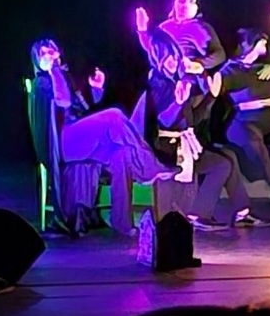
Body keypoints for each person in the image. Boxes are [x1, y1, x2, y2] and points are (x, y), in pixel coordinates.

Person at [29, 39, 176, 235]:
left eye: (52, 51)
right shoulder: (42, 82)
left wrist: (96, 89)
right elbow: (63, 102)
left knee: (120, 154)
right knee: (114, 115)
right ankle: (148, 164)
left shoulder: (64, 76)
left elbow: (85, 110)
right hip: (62, 143)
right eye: (44, 53)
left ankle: (122, 222)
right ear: (36, 59)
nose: (50, 55)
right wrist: (54, 70)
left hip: (77, 140)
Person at [144, 30, 270, 231]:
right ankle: (200, 214)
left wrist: (210, 96)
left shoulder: (177, 81)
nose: (173, 62)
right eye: (168, 58)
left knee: (228, 158)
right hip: (168, 149)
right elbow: (165, 120)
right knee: (221, 164)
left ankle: (241, 212)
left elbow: (194, 118)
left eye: (175, 58)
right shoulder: (159, 84)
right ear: (158, 59)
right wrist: (179, 103)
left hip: (184, 144)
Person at [219, 27, 270, 200]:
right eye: (260, 42)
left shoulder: (265, 66)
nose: (264, 45)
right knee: (254, 144)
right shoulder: (231, 69)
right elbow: (216, 88)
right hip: (246, 120)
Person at [136, 0, 226, 74]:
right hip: (167, 71)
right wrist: (142, 30)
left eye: (191, 2)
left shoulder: (205, 28)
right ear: (174, 5)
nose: (185, 6)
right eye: (181, 1)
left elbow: (220, 54)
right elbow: (150, 47)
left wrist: (200, 63)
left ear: (197, 7)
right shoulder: (163, 27)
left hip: (193, 74)